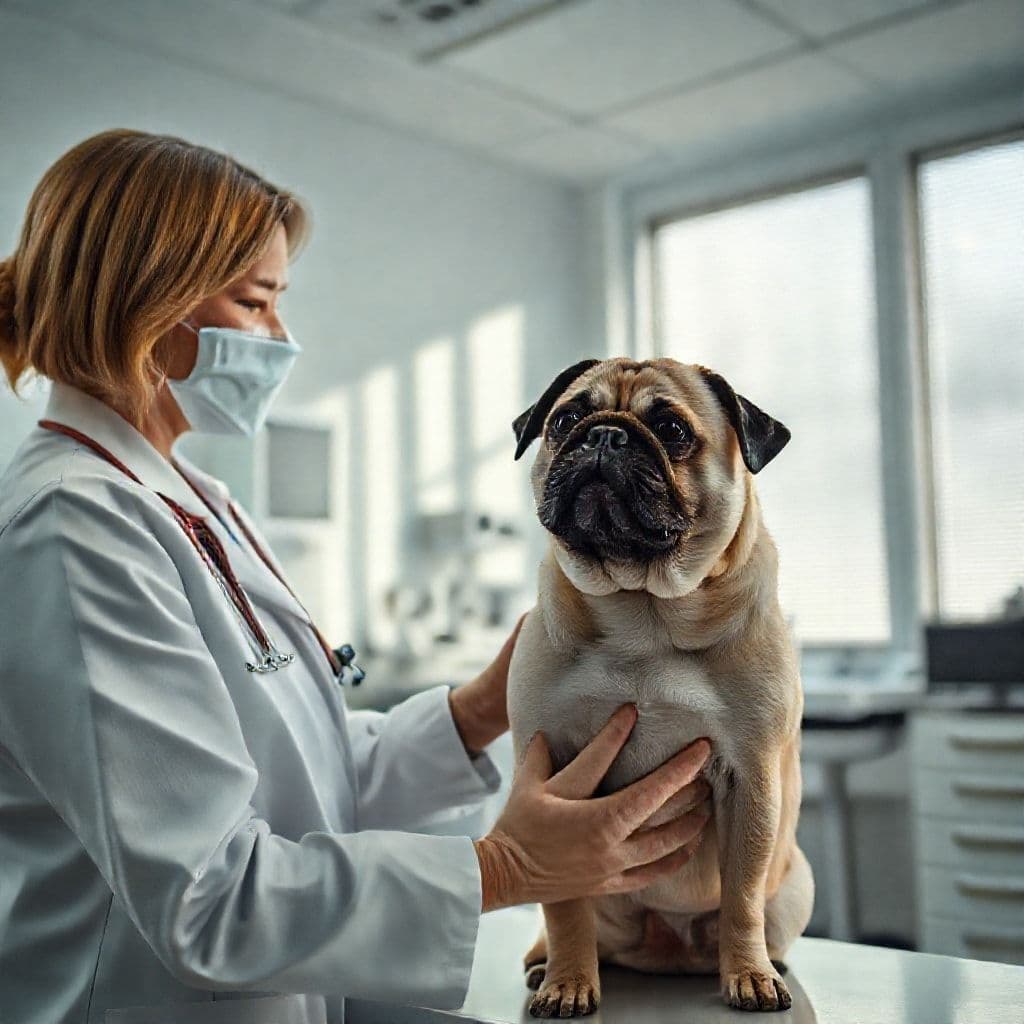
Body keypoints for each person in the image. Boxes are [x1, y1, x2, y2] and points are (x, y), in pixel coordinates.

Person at [0, 129, 712, 1024]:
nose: (280, 337)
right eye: (257, 302)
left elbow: (301, 779)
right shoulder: (73, 526)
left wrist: (479, 707)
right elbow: (208, 898)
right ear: (152, 299)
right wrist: (504, 870)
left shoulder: (189, 496)